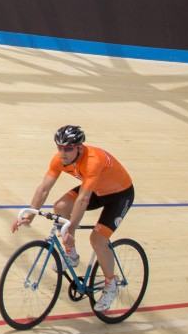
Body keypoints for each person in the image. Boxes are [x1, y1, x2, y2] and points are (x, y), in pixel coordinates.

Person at [11, 125, 136, 312]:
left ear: (79, 147)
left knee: (97, 239)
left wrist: (69, 230)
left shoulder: (92, 161)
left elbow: (83, 200)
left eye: (68, 148)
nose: (63, 153)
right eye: (59, 147)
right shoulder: (59, 159)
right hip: (97, 190)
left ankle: (111, 286)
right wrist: (30, 215)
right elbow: (44, 188)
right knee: (60, 206)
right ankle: (71, 255)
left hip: (120, 195)